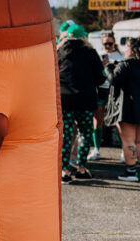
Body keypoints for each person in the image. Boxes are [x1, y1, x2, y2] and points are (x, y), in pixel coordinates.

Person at [57, 24, 106, 182]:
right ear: (82, 37)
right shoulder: (90, 52)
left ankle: (64, 172)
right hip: (85, 100)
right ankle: (81, 168)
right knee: (85, 133)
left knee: (66, 135)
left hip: (64, 100)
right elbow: (101, 78)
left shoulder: (58, 52)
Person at [106, 37, 140, 182]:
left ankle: (131, 171)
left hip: (128, 108)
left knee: (129, 141)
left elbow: (113, 79)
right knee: (138, 141)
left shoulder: (125, 65)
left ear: (132, 50)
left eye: (126, 47)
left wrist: (108, 67)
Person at [88, 31, 125, 161]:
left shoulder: (121, 55)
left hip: (116, 90)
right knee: (98, 119)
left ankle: (124, 152)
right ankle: (96, 149)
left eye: (110, 43)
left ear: (114, 42)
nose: (108, 46)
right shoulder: (98, 54)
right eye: (105, 44)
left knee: (118, 121)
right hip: (101, 89)